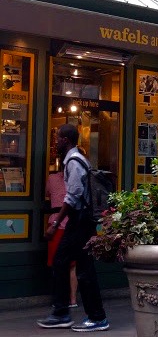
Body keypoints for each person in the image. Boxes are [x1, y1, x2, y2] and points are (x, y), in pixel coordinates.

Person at [37, 124, 109, 331]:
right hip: (80, 221)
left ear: (65, 140)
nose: (55, 142)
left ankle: (95, 317)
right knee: (63, 262)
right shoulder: (74, 160)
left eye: (57, 138)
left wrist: (56, 223)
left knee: (82, 269)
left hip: (81, 221)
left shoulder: (74, 162)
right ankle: (63, 313)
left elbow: (74, 195)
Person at [45, 168, 78, 309]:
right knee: (73, 266)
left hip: (56, 225)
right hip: (73, 224)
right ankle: (73, 299)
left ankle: (60, 299)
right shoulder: (77, 180)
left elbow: (47, 194)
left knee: (57, 265)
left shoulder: (51, 178)